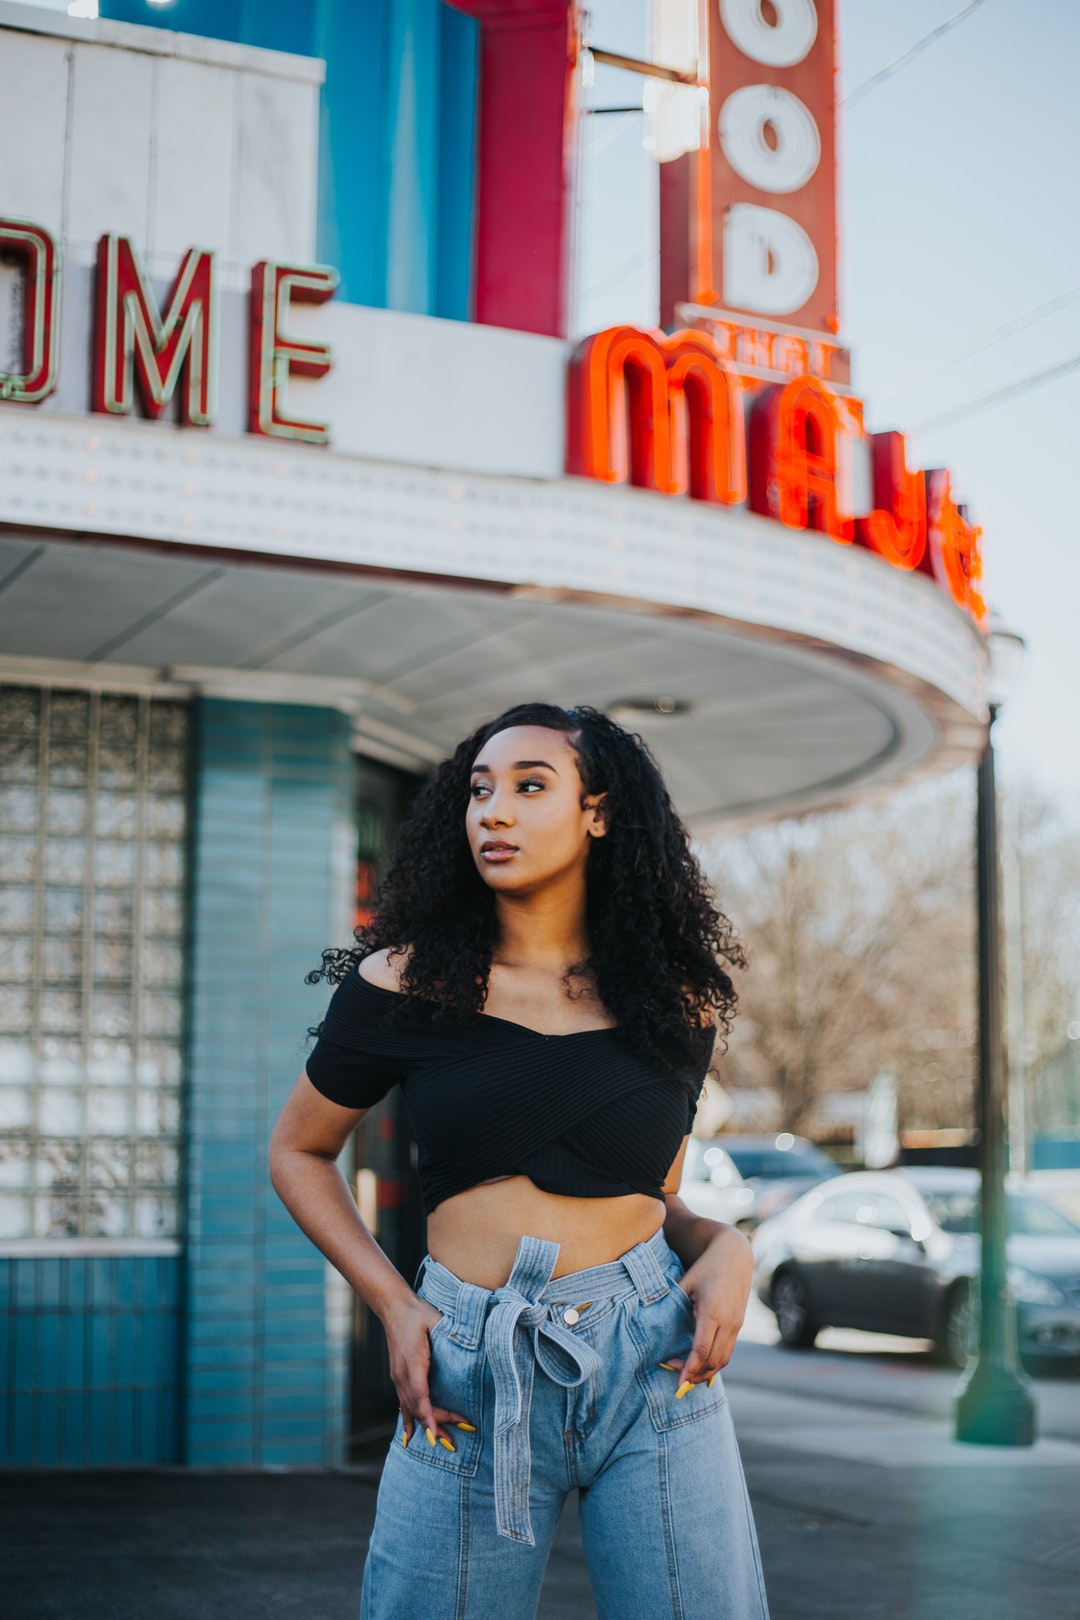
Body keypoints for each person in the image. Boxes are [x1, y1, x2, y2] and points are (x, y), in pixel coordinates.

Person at [269, 702, 769, 1620]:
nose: (492, 812)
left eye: (530, 786)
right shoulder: (403, 982)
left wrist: (727, 1247)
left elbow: (660, 1197)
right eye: (479, 790)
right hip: (466, 1359)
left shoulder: (676, 1000)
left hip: (655, 1352)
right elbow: (299, 1150)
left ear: (600, 812)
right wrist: (393, 1302)